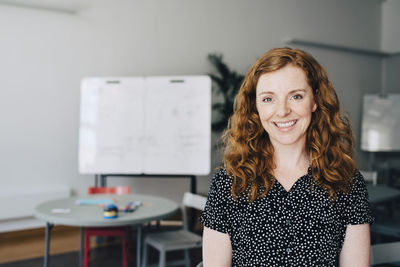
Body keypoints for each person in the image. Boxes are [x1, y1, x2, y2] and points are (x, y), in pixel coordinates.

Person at [200, 47, 373, 266]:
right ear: (255, 106)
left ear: (315, 100)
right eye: (268, 99)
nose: (282, 111)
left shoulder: (347, 182)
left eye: (296, 96)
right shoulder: (228, 184)